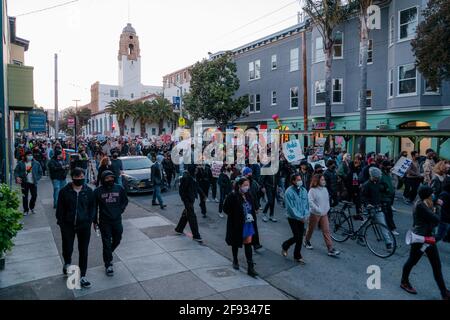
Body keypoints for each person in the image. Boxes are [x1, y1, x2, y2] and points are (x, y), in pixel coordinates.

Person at [400, 185, 450, 300]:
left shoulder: (422, 202)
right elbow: (437, 219)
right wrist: (438, 206)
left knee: (436, 265)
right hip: (420, 239)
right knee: (412, 261)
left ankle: (444, 292)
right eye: (431, 194)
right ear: (427, 195)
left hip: (428, 238)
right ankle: (404, 282)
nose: (433, 195)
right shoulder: (420, 205)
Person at [56, 168, 95, 289]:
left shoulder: (89, 191)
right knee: (68, 247)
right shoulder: (64, 191)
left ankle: (83, 275)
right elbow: (60, 209)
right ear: (72, 177)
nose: (79, 179)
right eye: (77, 177)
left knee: (83, 250)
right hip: (68, 225)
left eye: (81, 177)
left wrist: (89, 220)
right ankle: (67, 262)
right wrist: (61, 222)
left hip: (84, 225)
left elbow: (92, 208)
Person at [94, 171, 129, 276]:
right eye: (107, 178)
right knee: (106, 243)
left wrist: (120, 210)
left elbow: (125, 201)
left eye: (111, 178)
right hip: (104, 221)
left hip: (117, 219)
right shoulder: (97, 191)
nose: (110, 180)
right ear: (103, 179)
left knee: (118, 238)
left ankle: (108, 252)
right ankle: (108, 264)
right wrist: (94, 221)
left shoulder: (119, 188)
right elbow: (94, 207)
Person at [223, 178, 258, 277]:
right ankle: (235, 260)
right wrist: (236, 216)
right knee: (235, 243)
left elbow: (253, 205)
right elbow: (225, 209)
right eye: (245, 185)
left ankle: (250, 268)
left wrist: (252, 212)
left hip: (248, 224)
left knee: (248, 244)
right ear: (239, 185)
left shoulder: (248, 195)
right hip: (236, 224)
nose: (247, 187)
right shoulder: (232, 196)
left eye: (248, 185)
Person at [304, 174, 340, 256]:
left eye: (324, 179)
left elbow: (327, 200)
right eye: (322, 180)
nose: (324, 181)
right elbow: (310, 202)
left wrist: (327, 209)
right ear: (317, 181)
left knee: (326, 230)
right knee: (311, 229)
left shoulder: (325, 189)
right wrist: (317, 209)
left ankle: (330, 249)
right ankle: (306, 241)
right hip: (314, 214)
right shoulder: (312, 190)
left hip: (324, 213)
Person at [361, 167, 395, 250]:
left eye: (378, 177)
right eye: (375, 177)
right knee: (364, 224)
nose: (377, 178)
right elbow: (363, 197)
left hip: (377, 207)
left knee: (383, 225)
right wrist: (367, 204)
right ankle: (360, 236)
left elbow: (384, 190)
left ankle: (388, 243)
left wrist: (386, 189)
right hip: (369, 208)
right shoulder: (366, 185)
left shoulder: (379, 183)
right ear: (371, 176)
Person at [281, 174, 310, 264]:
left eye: (300, 179)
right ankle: (285, 245)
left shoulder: (303, 190)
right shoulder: (288, 192)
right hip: (292, 217)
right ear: (293, 181)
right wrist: (299, 217)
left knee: (300, 237)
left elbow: (306, 204)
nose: (300, 181)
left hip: (302, 217)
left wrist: (305, 215)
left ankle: (297, 256)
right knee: (297, 236)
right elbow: (290, 208)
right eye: (298, 179)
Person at [175, 166, 203, 242]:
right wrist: (185, 201)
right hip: (187, 200)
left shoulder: (193, 177)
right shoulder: (186, 178)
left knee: (186, 214)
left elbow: (196, 186)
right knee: (192, 216)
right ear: (192, 170)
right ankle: (196, 235)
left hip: (191, 199)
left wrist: (202, 194)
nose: (197, 170)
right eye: (196, 169)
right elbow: (181, 191)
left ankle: (179, 229)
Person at [14, 151, 43, 216]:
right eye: (28, 155)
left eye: (31, 155)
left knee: (34, 196)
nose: (30, 156)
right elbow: (16, 171)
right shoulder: (21, 163)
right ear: (25, 156)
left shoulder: (36, 163)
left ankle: (31, 207)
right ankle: (25, 210)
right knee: (25, 197)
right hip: (25, 182)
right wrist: (17, 177)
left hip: (33, 183)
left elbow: (40, 172)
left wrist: (36, 178)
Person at [380, 160, 399, 235]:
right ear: (384, 166)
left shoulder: (388, 173)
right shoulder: (381, 174)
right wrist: (385, 188)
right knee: (388, 214)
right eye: (388, 166)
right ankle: (392, 228)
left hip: (388, 197)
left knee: (385, 214)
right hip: (383, 197)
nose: (390, 167)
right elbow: (379, 185)